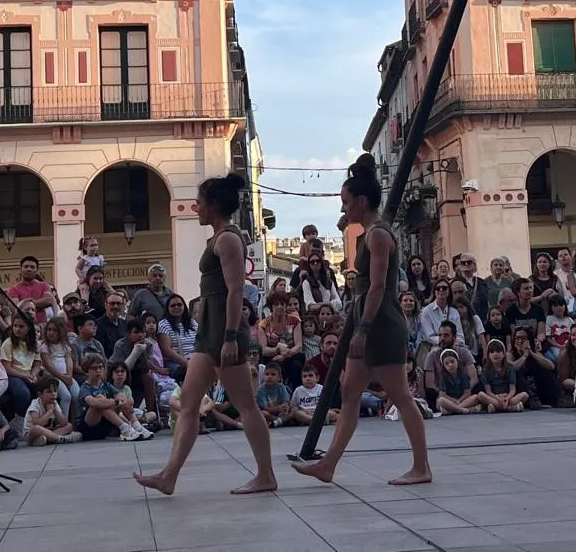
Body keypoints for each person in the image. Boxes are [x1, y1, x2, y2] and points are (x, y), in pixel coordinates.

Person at [293, 154, 431, 487]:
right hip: (366, 319)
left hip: (380, 323)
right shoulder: (369, 233)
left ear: (361, 201)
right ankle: (328, 464)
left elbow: (380, 286)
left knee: (399, 394)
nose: (343, 210)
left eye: (345, 203)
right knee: (350, 391)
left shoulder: (378, 235)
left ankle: (421, 466)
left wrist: (364, 328)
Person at [135, 172, 276, 495]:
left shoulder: (227, 239)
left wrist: (229, 337)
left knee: (246, 406)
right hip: (210, 331)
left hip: (223, 331)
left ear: (213, 205)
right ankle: (169, 475)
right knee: (188, 403)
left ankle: (266, 475)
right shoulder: (218, 238)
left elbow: (236, 290)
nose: (195, 207)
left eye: (200, 202)